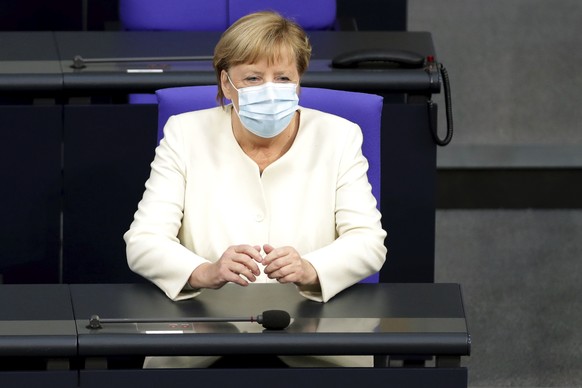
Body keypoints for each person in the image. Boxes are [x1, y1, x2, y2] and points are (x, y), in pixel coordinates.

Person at [123, 11, 387, 366]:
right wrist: (205, 271)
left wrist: (311, 268)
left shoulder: (339, 136)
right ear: (226, 82)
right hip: (201, 340)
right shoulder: (184, 134)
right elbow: (143, 242)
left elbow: (369, 242)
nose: (269, 90)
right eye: (252, 77)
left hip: (314, 341)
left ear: (298, 82)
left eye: (282, 78)